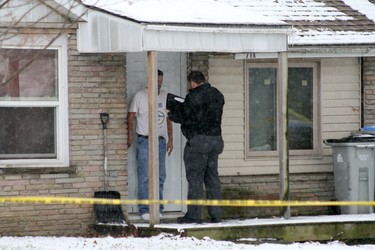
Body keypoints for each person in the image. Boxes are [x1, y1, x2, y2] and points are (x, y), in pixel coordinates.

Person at [168, 71, 225, 224]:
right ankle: (216, 213)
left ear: (192, 82)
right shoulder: (217, 94)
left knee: (195, 179)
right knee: (212, 178)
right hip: (216, 140)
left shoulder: (194, 96)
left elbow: (187, 117)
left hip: (199, 142)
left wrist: (173, 113)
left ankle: (194, 215)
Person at [127, 69, 173, 221]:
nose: (159, 84)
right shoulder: (140, 95)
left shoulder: (166, 96)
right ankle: (145, 208)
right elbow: (131, 116)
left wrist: (170, 139)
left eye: (161, 81)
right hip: (144, 140)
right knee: (145, 175)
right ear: (149, 81)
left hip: (160, 140)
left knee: (160, 175)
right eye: (156, 81)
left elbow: (169, 119)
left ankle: (157, 207)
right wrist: (130, 135)